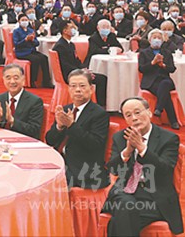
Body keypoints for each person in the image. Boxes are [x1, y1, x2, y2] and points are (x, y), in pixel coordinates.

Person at [103, 97, 183, 236]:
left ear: (149, 113)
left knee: (120, 217)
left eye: (137, 112)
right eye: (128, 115)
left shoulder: (168, 138)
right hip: (124, 190)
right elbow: (113, 170)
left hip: (154, 194)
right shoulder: (120, 137)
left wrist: (142, 149)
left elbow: (165, 170)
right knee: (125, 203)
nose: (134, 118)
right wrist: (127, 152)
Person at [45, 69, 110, 190]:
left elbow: (95, 144)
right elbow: (50, 140)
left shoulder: (99, 114)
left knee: (50, 183)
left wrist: (72, 125)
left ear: (91, 89)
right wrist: (59, 126)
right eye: (73, 86)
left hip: (83, 167)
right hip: (60, 160)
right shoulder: (65, 109)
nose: (78, 90)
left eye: (82, 86)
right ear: (69, 89)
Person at [52, 22, 108, 106]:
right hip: (69, 74)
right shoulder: (60, 46)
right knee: (101, 80)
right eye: (71, 28)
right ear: (65, 31)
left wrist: (85, 70)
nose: (74, 30)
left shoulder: (71, 44)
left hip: (76, 71)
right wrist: (82, 72)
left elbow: (77, 61)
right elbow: (65, 65)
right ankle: (100, 105)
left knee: (102, 77)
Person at [138, 29, 180, 129]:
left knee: (165, 84)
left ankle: (159, 109)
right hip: (150, 81)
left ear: (162, 40)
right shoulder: (144, 53)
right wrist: (152, 63)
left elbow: (172, 69)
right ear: (150, 40)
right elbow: (142, 69)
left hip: (165, 79)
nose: (157, 40)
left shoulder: (167, 53)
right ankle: (173, 120)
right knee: (165, 92)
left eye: (159, 38)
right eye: (154, 38)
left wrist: (163, 65)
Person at [0, 63, 44, 139]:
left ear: (23, 79)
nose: (12, 81)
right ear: (3, 80)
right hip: (1, 141)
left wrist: (13, 121)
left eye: (16, 78)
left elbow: (34, 130)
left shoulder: (35, 101)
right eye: (8, 78)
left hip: (24, 142)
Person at [13, 13, 52, 87]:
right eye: (22, 20)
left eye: (26, 20)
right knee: (35, 59)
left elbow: (37, 43)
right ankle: (33, 80)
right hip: (22, 52)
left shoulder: (31, 30)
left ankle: (46, 81)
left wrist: (32, 40)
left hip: (31, 51)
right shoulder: (16, 31)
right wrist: (25, 40)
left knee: (44, 58)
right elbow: (16, 44)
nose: (25, 22)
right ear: (19, 21)